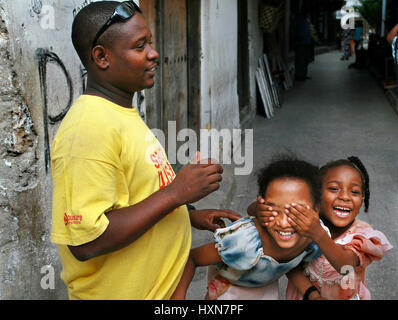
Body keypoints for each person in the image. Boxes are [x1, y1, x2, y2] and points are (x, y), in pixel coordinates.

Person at [50, 1, 241, 300]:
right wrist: (177, 193)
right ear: (101, 57)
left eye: (150, 42)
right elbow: (86, 242)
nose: (153, 53)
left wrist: (186, 214)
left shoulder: (121, 112)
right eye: (140, 46)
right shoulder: (87, 129)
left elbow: (136, 196)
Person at [171, 156, 327, 300]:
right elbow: (193, 258)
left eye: (296, 212)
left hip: (266, 290)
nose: (283, 222)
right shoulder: (242, 243)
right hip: (229, 291)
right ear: (263, 206)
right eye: (273, 210)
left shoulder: (314, 238)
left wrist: (311, 294)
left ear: (316, 210)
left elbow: (289, 265)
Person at [256, 157, 393, 300]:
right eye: (334, 188)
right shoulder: (303, 223)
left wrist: (317, 234)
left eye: (355, 192)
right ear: (316, 196)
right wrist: (312, 295)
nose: (345, 197)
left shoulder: (362, 235)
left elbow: (345, 265)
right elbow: (290, 265)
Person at [293, 12, 312, 81]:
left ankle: (302, 75)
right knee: (301, 60)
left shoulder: (305, 20)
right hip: (301, 43)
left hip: (305, 42)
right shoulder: (300, 20)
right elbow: (297, 31)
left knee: (304, 60)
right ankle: (299, 75)